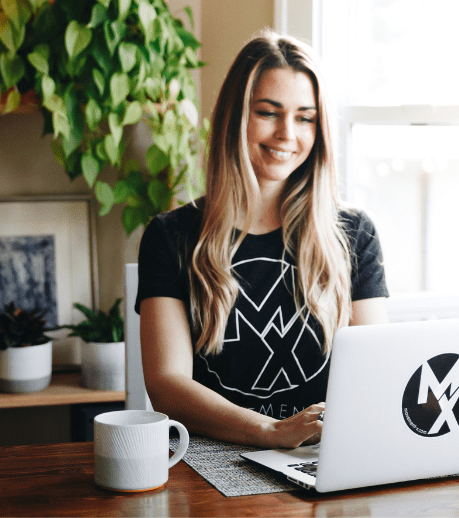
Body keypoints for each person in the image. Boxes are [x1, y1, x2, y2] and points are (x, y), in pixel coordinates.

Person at [136, 29, 388, 449]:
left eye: (305, 117)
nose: (288, 133)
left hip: (325, 458)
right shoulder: (171, 237)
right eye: (269, 112)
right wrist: (272, 432)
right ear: (235, 116)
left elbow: (376, 371)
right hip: (214, 460)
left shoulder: (354, 234)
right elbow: (167, 385)